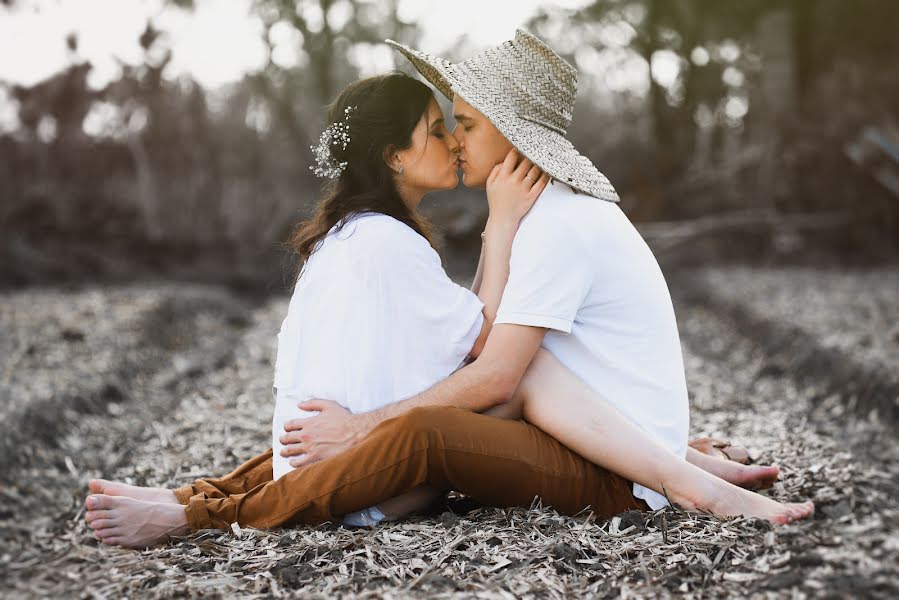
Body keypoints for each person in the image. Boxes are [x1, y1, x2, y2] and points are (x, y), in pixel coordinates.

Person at [83, 34, 809, 549]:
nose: (457, 141)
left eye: (464, 124)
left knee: (423, 428)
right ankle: (194, 500)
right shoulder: (540, 215)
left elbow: (491, 372)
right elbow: (489, 362)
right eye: (446, 127)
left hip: (613, 477)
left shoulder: (555, 226)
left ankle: (202, 518)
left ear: (513, 135)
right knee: (394, 415)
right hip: (587, 436)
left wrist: (359, 428)